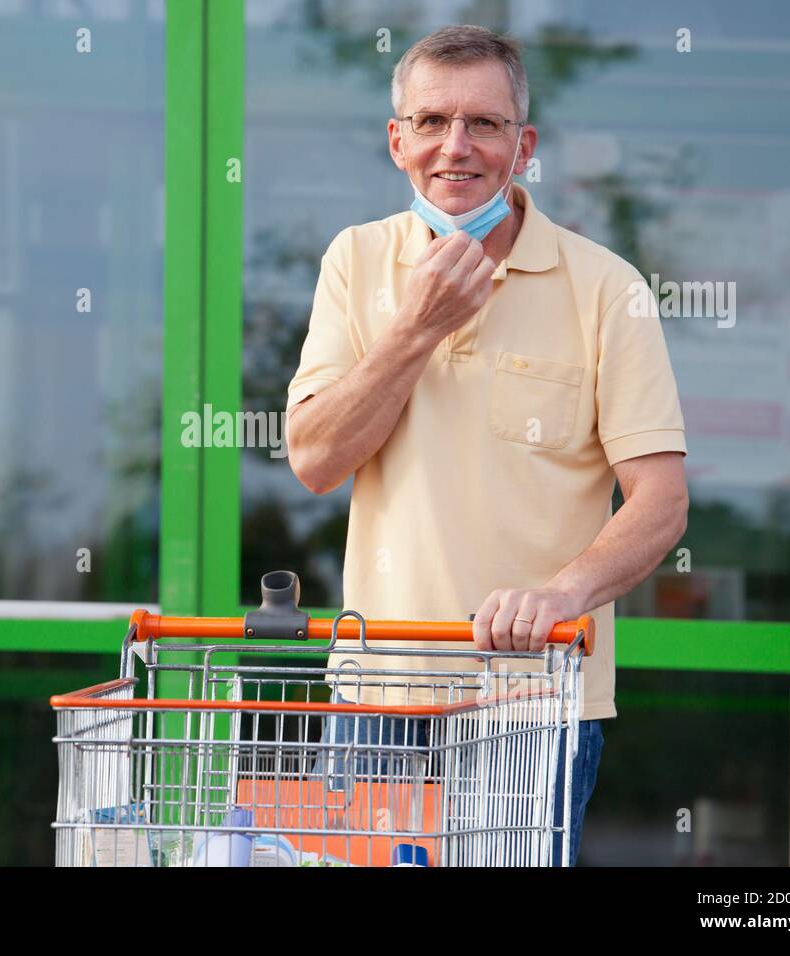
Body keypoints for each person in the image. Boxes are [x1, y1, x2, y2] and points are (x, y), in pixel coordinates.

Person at [286, 25, 689, 866]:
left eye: (486, 125)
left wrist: (563, 592)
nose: (455, 148)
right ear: (398, 141)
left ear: (524, 146)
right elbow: (317, 460)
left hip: (534, 707)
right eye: (431, 122)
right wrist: (416, 328)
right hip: (378, 702)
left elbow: (659, 501)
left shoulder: (607, 288)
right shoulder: (355, 263)